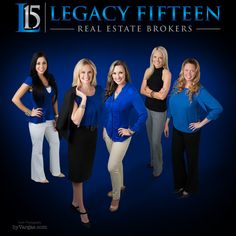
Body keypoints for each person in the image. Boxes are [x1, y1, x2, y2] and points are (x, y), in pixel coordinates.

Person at [164, 58, 223, 198]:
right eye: (186, 70)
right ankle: (179, 184)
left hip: (191, 132)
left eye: (192, 70)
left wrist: (201, 123)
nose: (188, 73)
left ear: (196, 72)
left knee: (192, 160)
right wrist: (167, 122)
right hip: (177, 129)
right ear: (182, 71)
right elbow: (171, 103)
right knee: (176, 158)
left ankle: (191, 188)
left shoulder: (199, 90)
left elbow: (218, 108)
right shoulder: (177, 84)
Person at [56, 58, 103, 228]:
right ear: (77, 74)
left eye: (89, 72)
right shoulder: (72, 93)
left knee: (84, 170)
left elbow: (102, 109)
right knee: (78, 173)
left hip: (93, 135)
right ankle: (82, 209)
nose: (86, 75)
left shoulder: (98, 90)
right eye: (82, 72)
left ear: (94, 73)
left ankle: (75, 202)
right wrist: (82, 99)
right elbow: (75, 120)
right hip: (78, 136)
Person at [12, 52, 65, 183]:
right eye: (38, 63)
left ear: (47, 64)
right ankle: (38, 177)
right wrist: (29, 112)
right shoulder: (30, 79)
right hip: (37, 121)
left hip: (50, 119)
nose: (41, 66)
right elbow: (15, 99)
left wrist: (57, 116)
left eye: (44, 63)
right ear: (34, 65)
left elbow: (54, 99)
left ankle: (56, 171)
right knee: (38, 149)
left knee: (55, 143)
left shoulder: (51, 78)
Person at [103, 60, 147, 212]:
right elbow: (109, 110)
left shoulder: (131, 92)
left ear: (126, 73)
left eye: (120, 72)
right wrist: (104, 130)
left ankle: (116, 197)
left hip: (122, 136)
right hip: (108, 133)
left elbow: (143, 114)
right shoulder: (112, 88)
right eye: (114, 73)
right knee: (118, 163)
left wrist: (132, 130)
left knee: (112, 166)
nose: (117, 76)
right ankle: (120, 186)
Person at [140, 46, 172, 177]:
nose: (157, 60)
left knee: (155, 141)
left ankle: (158, 167)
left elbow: (163, 96)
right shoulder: (148, 71)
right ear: (152, 58)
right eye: (155, 57)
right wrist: (154, 93)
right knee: (150, 138)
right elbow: (141, 90)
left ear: (164, 59)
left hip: (159, 112)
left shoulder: (166, 73)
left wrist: (149, 91)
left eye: (160, 57)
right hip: (147, 108)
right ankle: (153, 161)